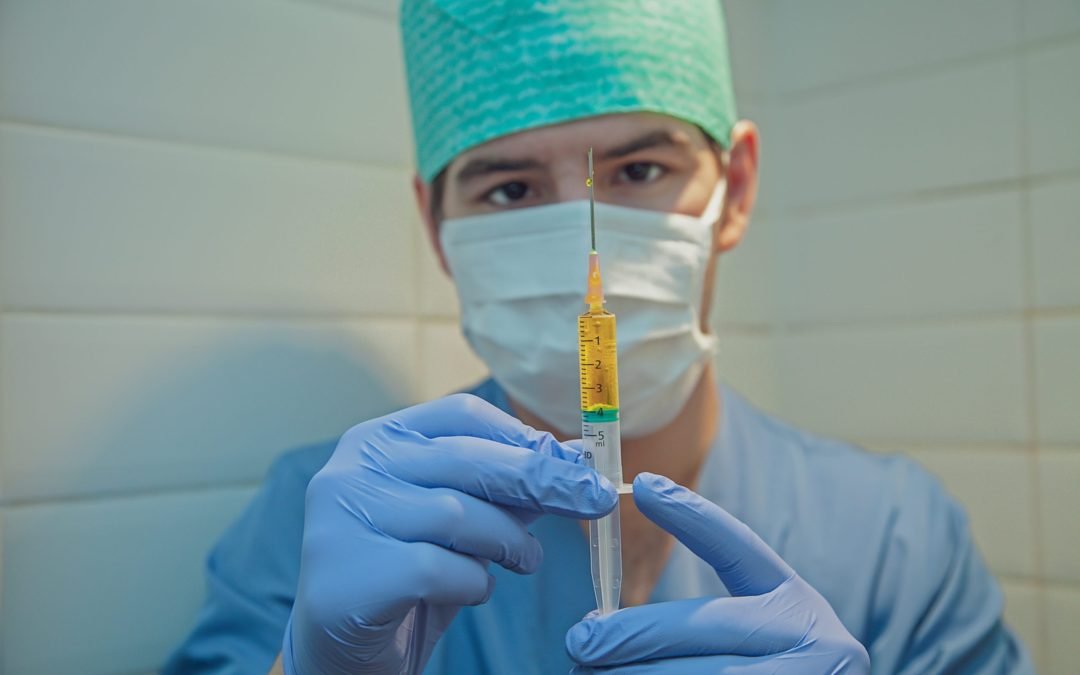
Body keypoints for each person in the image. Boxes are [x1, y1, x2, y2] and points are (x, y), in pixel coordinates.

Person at [165, 1, 1033, 673]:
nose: (583, 229)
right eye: (509, 190)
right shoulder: (331, 517)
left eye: (640, 170)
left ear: (733, 188)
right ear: (435, 226)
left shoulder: (892, 536)